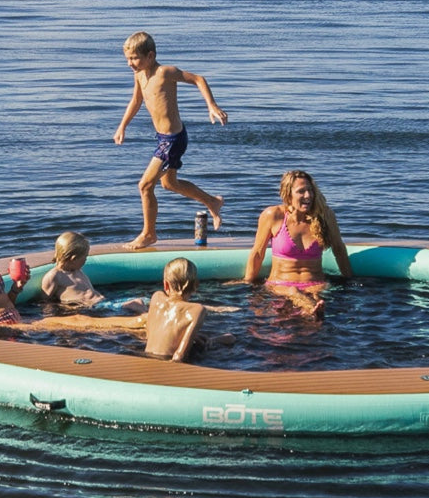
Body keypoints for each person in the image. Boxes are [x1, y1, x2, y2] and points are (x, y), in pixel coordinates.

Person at [0, 203, 146, 335]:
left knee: (79, 321)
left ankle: (141, 325)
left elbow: (2, 300)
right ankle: (141, 325)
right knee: (79, 321)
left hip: (15, 319)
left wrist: (17, 290)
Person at [113, 31, 228, 251]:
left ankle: (149, 234)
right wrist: (122, 126)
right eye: (127, 59)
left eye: (134, 58)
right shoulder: (139, 75)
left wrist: (211, 105)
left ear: (150, 55)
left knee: (145, 185)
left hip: (173, 139)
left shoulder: (165, 73)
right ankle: (212, 201)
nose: (130, 64)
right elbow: (136, 100)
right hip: (164, 138)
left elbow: (198, 79)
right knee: (169, 183)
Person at [244, 169, 352, 317]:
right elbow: (257, 253)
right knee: (293, 292)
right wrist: (248, 283)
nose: (308, 196)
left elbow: (339, 249)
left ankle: (312, 308)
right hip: (280, 285)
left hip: (316, 284)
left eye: (310, 190)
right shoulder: (273, 215)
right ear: (288, 194)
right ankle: (311, 308)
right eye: (301, 191)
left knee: (315, 300)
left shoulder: (324, 215)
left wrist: (349, 280)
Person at [144, 257, 232, 361]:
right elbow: (179, 355)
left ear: (166, 285)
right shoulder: (197, 310)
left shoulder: (156, 297)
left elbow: (149, 335)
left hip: (146, 357)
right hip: (167, 362)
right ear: (195, 285)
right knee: (230, 338)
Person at [40, 231, 145, 313]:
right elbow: (45, 302)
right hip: (92, 308)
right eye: (84, 257)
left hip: (104, 303)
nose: (86, 259)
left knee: (146, 300)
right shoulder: (55, 276)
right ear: (74, 258)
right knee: (137, 304)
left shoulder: (77, 270)